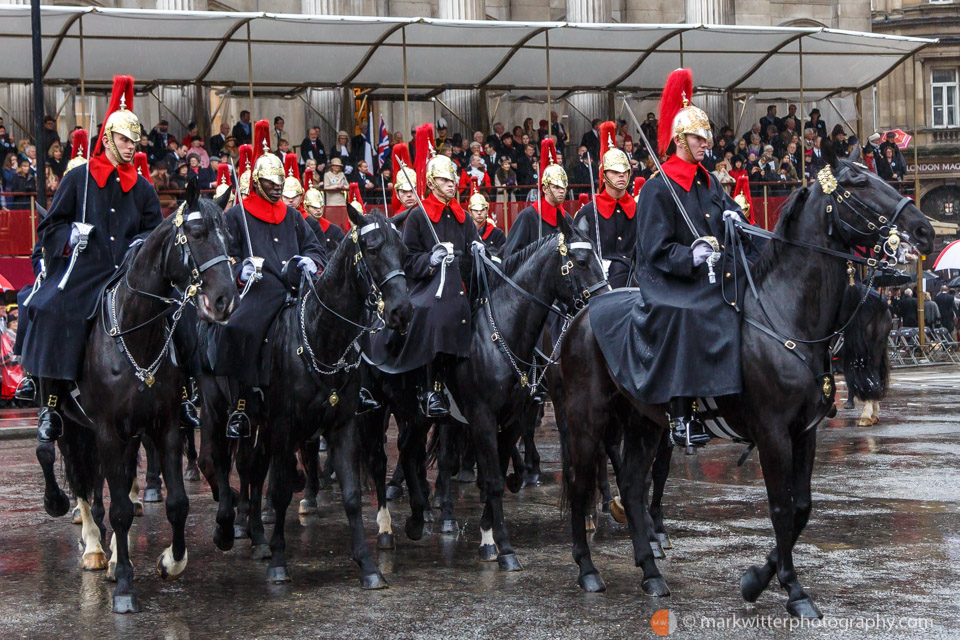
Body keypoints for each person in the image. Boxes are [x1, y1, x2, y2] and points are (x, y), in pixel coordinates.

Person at [17, 76, 164, 443]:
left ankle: (182, 394)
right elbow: (50, 227)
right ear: (110, 138)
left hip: (128, 276)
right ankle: (50, 402)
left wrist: (140, 245)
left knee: (178, 313)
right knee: (54, 309)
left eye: (135, 141)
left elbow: (155, 231)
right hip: (87, 270)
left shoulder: (144, 189)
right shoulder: (79, 178)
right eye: (125, 140)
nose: (131, 147)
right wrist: (69, 236)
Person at [629, 68, 747, 449]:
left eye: (706, 138)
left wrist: (738, 218)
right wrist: (690, 256)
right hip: (671, 279)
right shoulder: (658, 188)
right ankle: (681, 412)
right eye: (699, 138)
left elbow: (728, 213)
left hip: (712, 272)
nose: (706, 145)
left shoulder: (708, 180)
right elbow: (654, 248)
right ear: (680, 139)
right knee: (687, 313)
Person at [217, 119, 325, 438]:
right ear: (258, 182)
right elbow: (225, 254)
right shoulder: (236, 215)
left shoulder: (292, 215)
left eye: (280, 183)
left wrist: (312, 261)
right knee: (239, 327)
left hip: (296, 291)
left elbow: (315, 247)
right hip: (257, 291)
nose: (277, 188)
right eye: (271, 183)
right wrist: (240, 269)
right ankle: (240, 403)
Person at [365, 123, 481, 418]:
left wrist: (481, 253)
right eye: (444, 180)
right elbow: (408, 260)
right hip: (428, 286)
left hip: (461, 284)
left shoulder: (464, 218)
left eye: (452, 179)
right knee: (434, 310)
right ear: (431, 183)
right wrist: (431, 259)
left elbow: (473, 248)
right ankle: (433, 387)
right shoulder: (418, 217)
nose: (451, 184)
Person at [575, 121, 635, 289]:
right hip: (601, 281)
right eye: (615, 172)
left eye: (625, 172)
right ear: (604, 174)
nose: (621, 176)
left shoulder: (639, 209)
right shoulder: (588, 212)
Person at [502, 138, 568, 259]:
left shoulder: (566, 218)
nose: (562, 190)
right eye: (556, 187)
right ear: (544, 189)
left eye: (563, 187)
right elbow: (511, 254)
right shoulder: (528, 216)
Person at [467, 180, 505, 255]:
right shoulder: (465, 234)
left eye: (482, 210)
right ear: (470, 212)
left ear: (487, 210)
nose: (479, 213)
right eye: (475, 210)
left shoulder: (497, 234)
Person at [304, 183, 344, 251]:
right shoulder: (301, 227)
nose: (319, 210)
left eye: (321, 207)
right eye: (314, 207)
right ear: (306, 207)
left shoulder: (335, 231)